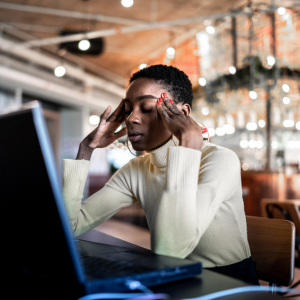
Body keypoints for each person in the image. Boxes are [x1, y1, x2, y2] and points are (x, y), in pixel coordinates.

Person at [62, 64, 259, 285]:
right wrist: (86, 148)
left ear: (182, 114)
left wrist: (188, 144)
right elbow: (70, 226)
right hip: (171, 273)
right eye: (127, 110)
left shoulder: (219, 160)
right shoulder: (137, 169)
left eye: (146, 108)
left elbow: (171, 249)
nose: (131, 118)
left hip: (228, 281)